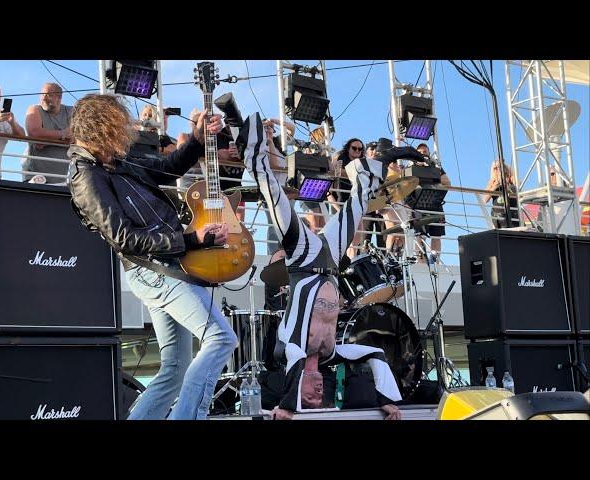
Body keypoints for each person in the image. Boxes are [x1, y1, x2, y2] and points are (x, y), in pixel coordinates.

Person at [67, 94, 237, 420]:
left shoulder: (114, 160)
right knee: (220, 338)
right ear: (101, 129)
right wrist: (190, 239)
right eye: (117, 129)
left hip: (162, 265)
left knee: (175, 368)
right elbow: (123, 238)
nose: (124, 135)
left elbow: (166, 168)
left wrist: (198, 141)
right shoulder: (85, 176)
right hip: (155, 268)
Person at [239, 113, 403, 420]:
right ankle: (376, 162)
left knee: (274, 195)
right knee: (358, 203)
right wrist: (387, 400)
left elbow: (296, 356)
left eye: (309, 395)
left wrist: (287, 407)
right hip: (329, 261)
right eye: (319, 395)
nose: (317, 391)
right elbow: (375, 354)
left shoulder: (289, 346)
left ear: (297, 384)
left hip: (302, 258)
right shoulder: (330, 354)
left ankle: (247, 136)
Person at [24, 83, 73, 184]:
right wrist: (63, 134)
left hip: (66, 179)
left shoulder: (71, 112)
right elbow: (35, 134)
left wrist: (46, 141)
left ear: (59, 97)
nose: (43, 98)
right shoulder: (34, 109)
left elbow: (77, 138)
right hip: (38, 178)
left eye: (47, 95)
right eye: (42, 94)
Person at [413, 143, 450, 258]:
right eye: (420, 152)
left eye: (425, 152)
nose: (423, 154)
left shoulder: (436, 168)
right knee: (420, 235)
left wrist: (433, 176)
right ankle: (421, 262)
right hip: (419, 204)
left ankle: (435, 262)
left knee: (436, 235)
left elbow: (447, 183)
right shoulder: (411, 167)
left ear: (429, 153)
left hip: (436, 203)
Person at [482, 158, 519, 229]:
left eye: (499, 167)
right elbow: (485, 200)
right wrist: (494, 187)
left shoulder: (511, 179)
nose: (497, 170)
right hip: (498, 214)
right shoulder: (492, 182)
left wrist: (508, 182)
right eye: (495, 168)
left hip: (512, 213)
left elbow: (518, 186)